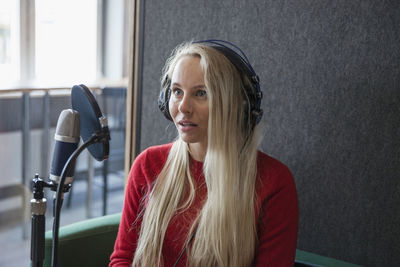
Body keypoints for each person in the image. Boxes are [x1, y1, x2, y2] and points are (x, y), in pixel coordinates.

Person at [109, 40, 298, 267]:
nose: (183, 107)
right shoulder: (148, 165)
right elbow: (122, 260)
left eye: (201, 93)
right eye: (177, 91)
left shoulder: (273, 182)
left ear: (237, 106)